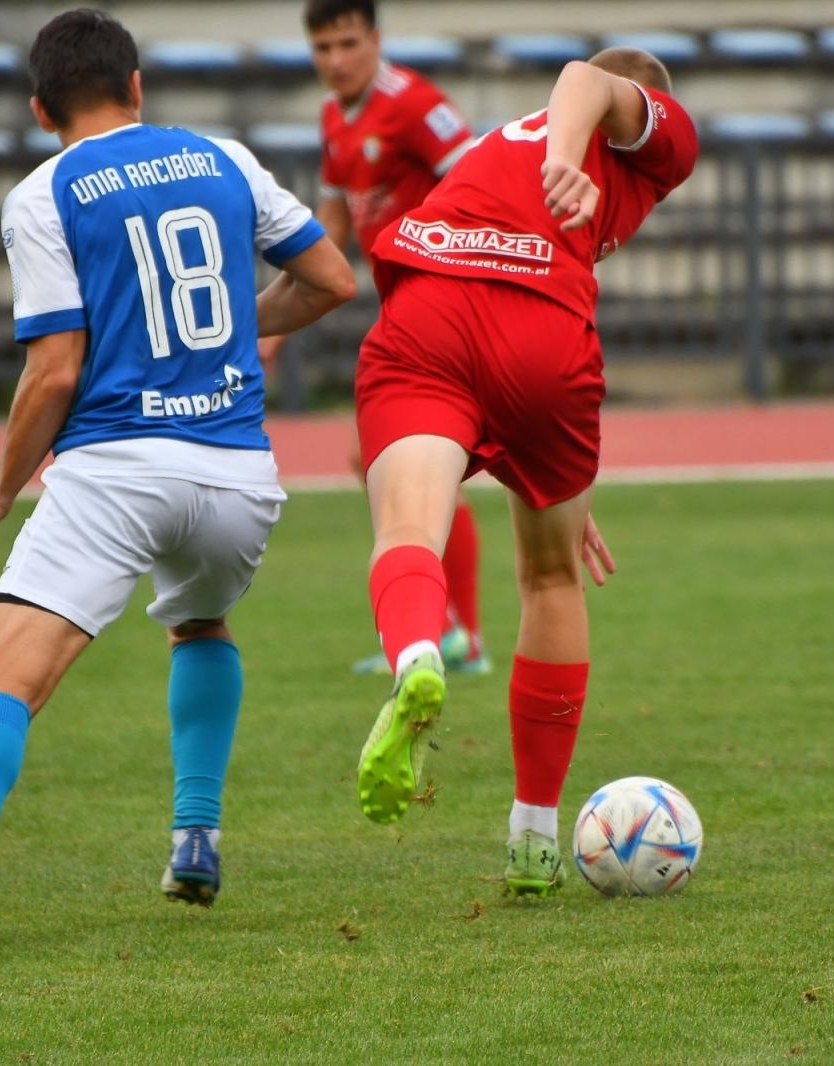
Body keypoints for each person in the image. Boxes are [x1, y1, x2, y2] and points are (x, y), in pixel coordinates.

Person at [0, 8, 354, 953]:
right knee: (199, 622)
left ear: (42, 109)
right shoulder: (225, 157)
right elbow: (331, 280)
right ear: (137, 86)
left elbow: (54, 373)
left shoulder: (43, 194)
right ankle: (196, 836)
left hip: (117, 470)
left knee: (3, 677)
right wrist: (230, 328)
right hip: (239, 477)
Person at [350, 47, 697, 896]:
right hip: (540, 322)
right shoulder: (649, 133)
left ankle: (418, 654)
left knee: (407, 530)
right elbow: (584, 75)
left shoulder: (498, 143)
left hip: (428, 306)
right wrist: (569, 158)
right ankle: (534, 839)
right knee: (551, 577)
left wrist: (552, 478)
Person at [258, 0, 492, 677]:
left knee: (390, 460)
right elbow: (332, 223)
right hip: (406, 306)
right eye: (323, 47)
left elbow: (484, 179)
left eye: (348, 43)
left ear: (376, 39)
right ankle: (456, 633)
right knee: (393, 464)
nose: (336, 60)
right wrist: (278, 319)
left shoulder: (414, 104)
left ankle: (455, 632)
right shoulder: (336, 117)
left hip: (444, 302)